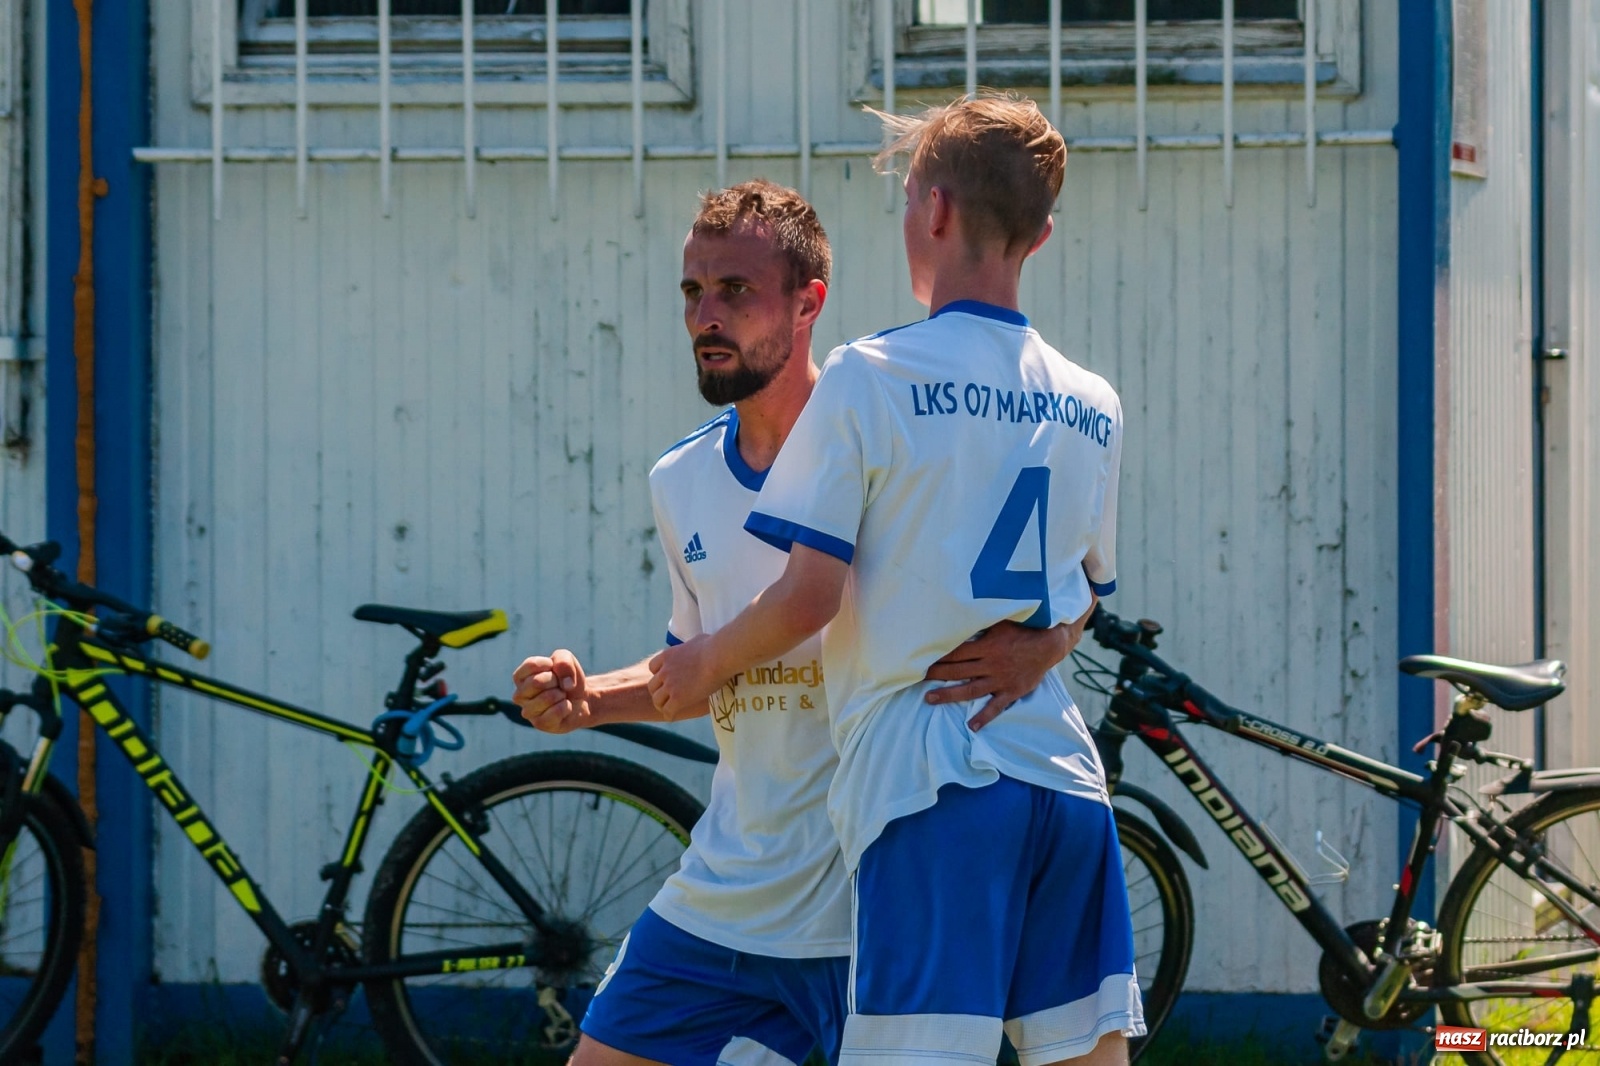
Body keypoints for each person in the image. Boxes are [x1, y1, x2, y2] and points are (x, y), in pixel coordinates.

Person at [512, 179, 1087, 1066]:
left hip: (876, 899)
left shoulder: (896, 439)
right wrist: (592, 699)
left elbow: (1054, 570)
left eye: (735, 291)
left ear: (808, 303)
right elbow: (700, 671)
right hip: (728, 896)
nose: (706, 316)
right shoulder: (679, 481)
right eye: (693, 291)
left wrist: (1047, 643)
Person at [647, 98, 1140, 1066]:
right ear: (1040, 234)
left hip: (933, 784)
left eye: (907, 197)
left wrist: (702, 662)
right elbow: (1085, 590)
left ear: (934, 209)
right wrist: (1044, 646)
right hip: (1066, 782)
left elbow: (808, 597)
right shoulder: (1093, 400)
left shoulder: (870, 373)